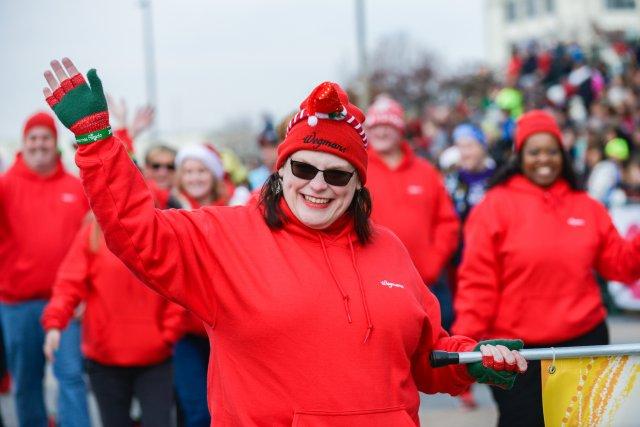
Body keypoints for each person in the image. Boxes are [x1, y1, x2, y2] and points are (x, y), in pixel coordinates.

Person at [42, 58, 527, 426]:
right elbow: (136, 234)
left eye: (338, 175)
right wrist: (98, 142)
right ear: (280, 170)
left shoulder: (390, 250)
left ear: (358, 185)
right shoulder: (224, 237)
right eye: (303, 168)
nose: (318, 185)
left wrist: (472, 360)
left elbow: (427, 358)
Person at [452, 110, 640, 427]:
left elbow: (620, 266)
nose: (544, 159)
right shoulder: (494, 206)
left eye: (552, 151)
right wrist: (466, 348)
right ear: (520, 156)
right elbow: (477, 283)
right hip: (517, 354)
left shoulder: (586, 206)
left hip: (584, 345)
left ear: (562, 156)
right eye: (534, 151)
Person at [41, 215, 181, 427]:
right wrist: (54, 323)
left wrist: (167, 334)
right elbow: (69, 284)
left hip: (155, 358)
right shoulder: (92, 233)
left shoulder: (159, 233)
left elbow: (177, 288)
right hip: (106, 358)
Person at [0, 111, 90, 427]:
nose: (39, 144)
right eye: (33, 138)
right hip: (17, 304)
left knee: (71, 377)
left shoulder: (77, 187)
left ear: (55, 143)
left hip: (66, 304)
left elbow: (91, 246)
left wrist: (87, 294)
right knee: (26, 383)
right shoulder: (5, 186)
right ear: (23, 145)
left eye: (45, 137)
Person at [365, 95, 460, 330]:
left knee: (438, 353)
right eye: (376, 126)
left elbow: (447, 222)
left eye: (388, 125)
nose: (382, 132)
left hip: (428, 284)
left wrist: (433, 263)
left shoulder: (426, 172)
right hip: (375, 284)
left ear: (400, 129)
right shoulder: (357, 171)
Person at [171, 143, 246, 427]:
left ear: (214, 174)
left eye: (201, 170)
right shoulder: (170, 207)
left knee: (226, 410)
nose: (194, 177)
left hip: (228, 328)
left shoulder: (235, 211)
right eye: (188, 171)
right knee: (196, 412)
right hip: (186, 330)